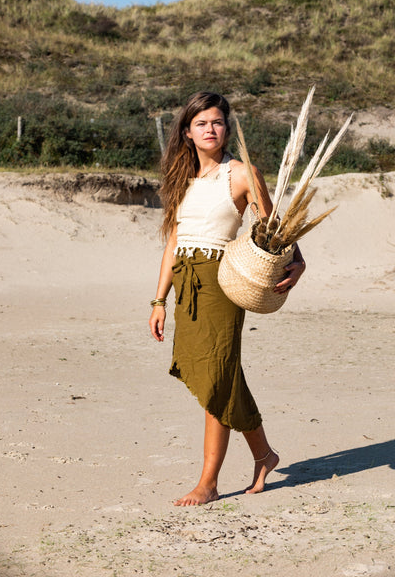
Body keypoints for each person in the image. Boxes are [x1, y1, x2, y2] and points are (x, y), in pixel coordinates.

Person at [149, 91, 306, 507]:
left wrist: (298, 262)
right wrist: (159, 300)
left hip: (222, 281)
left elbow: (277, 227)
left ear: (227, 128)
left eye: (217, 122)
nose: (210, 129)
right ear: (187, 131)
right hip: (186, 283)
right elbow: (174, 242)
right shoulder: (182, 178)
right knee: (224, 374)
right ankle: (265, 455)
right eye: (201, 123)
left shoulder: (240, 174)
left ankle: (208, 482)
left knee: (216, 377)